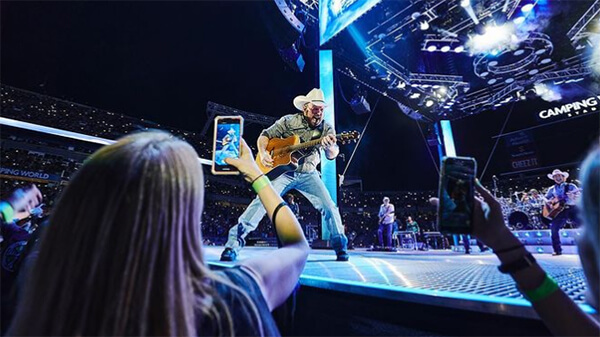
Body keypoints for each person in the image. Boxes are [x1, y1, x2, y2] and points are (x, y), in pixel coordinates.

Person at [8, 132, 310, 336]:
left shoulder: (41, 290)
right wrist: (256, 176)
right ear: (182, 221)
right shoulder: (224, 303)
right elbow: (297, 248)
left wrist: (10, 206)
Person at [431, 147, 599, 336]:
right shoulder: (552, 189)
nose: (586, 239)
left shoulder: (572, 188)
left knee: (576, 222)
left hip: (568, 209)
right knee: (554, 230)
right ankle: (558, 248)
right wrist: (501, 240)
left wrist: (502, 242)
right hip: (557, 212)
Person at [221, 88, 349, 262]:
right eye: (315, 108)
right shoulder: (288, 121)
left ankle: (341, 247)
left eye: (321, 109)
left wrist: (330, 147)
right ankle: (232, 245)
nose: (318, 113)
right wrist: (263, 152)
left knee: (329, 206)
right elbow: (265, 135)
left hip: (309, 174)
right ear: (305, 108)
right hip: (284, 173)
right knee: (260, 202)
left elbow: (332, 154)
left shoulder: (327, 128)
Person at [544, 169, 579, 255]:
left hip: (572, 208)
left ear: (563, 177)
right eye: (555, 176)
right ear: (553, 179)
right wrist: (548, 202)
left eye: (559, 176)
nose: (558, 178)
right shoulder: (552, 189)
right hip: (560, 211)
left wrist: (573, 196)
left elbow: (578, 197)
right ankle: (557, 250)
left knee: (584, 225)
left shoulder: (571, 186)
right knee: (554, 229)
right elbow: (545, 198)